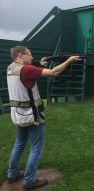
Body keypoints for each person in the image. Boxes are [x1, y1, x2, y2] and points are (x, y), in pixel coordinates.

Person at [6, 46, 80, 190]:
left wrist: (39, 65)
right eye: (29, 55)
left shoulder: (11, 68)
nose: (32, 57)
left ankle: (12, 174)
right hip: (31, 115)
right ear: (21, 55)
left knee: (19, 144)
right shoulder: (27, 70)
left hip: (18, 115)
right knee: (37, 147)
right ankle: (29, 180)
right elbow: (54, 72)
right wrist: (69, 61)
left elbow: (26, 74)